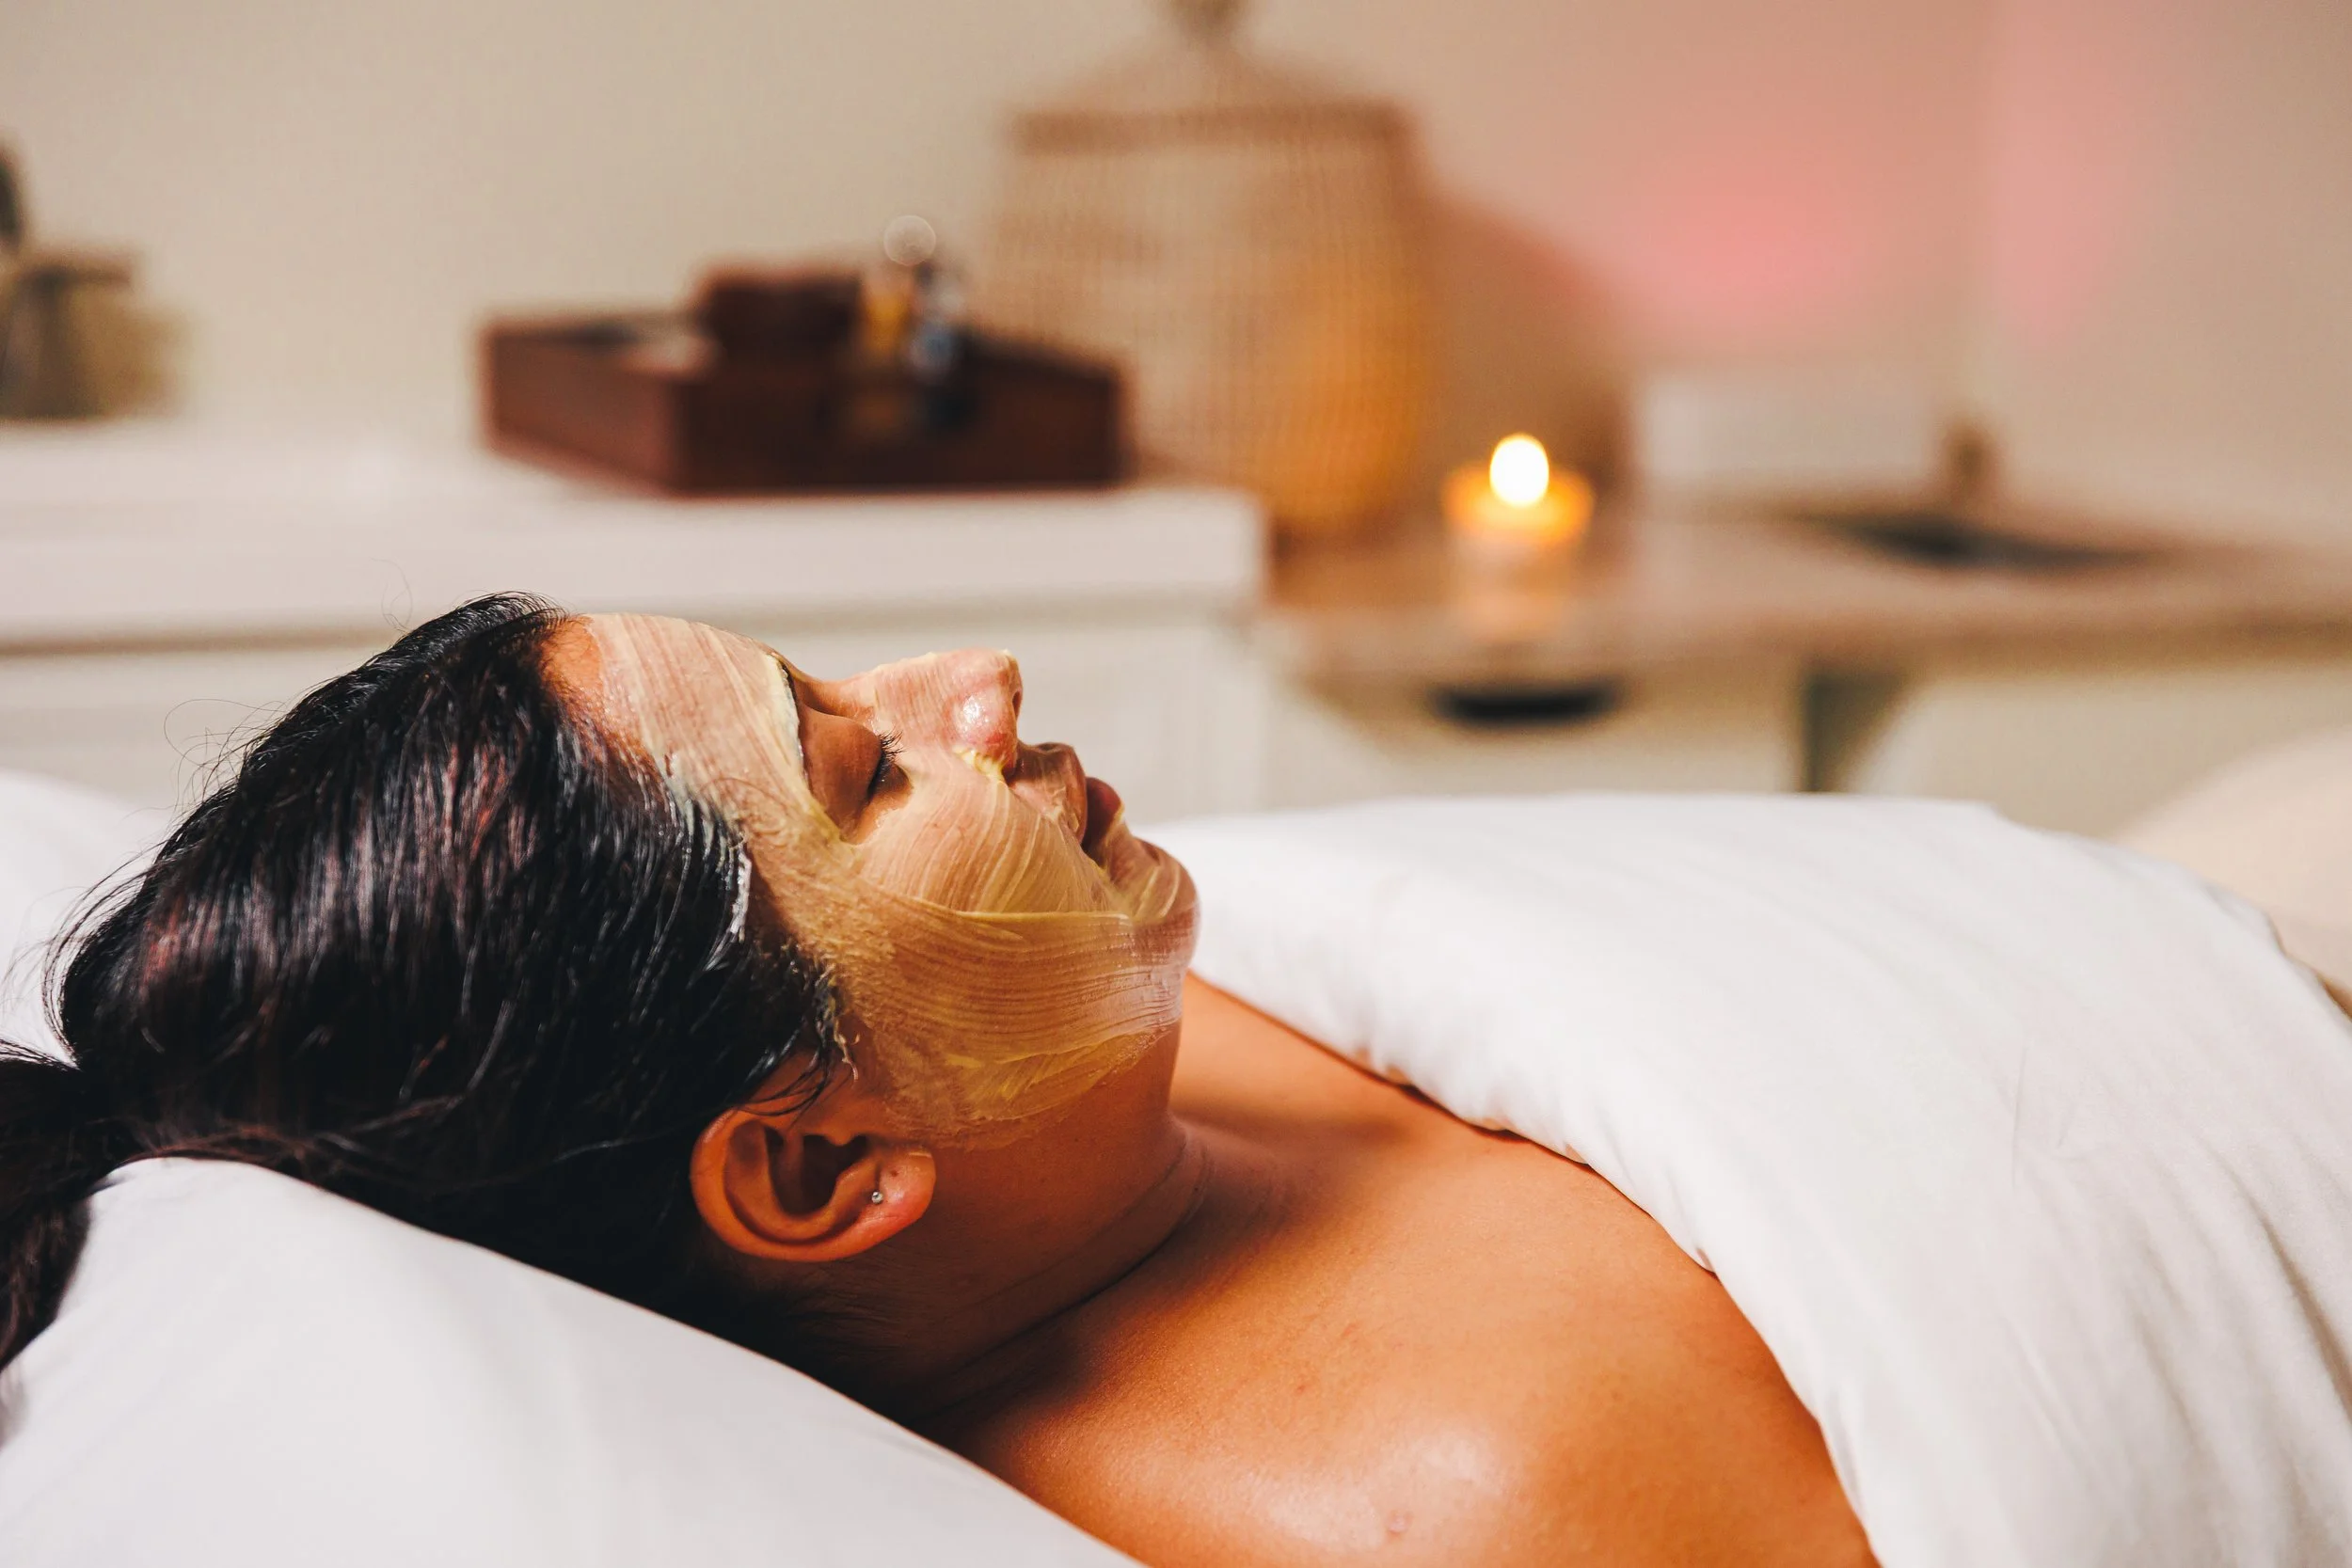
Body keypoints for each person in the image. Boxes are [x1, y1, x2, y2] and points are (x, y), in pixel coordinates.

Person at [0, 595, 1872, 1568]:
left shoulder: (1080, 1056)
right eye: (865, 774)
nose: (973, 684)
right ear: (813, 1163)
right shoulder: (1481, 1510)